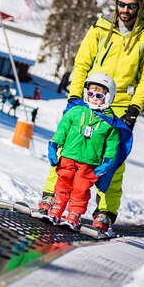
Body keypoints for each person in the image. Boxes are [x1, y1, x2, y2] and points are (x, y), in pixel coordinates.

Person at [37, 0, 144, 233]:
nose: (125, 9)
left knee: (113, 159)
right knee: (68, 149)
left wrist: (134, 108)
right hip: (90, 96)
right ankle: (52, 195)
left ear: (139, 6)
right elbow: (82, 62)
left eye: (131, 5)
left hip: (120, 105)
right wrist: (74, 96)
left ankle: (105, 211)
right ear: (116, 3)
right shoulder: (100, 28)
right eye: (121, 4)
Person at [46, 73, 121, 230]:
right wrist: (54, 144)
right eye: (90, 93)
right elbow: (63, 129)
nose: (93, 97)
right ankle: (56, 209)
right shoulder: (76, 111)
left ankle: (73, 215)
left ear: (108, 97)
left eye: (99, 95)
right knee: (62, 183)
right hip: (68, 157)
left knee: (80, 189)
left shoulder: (110, 123)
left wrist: (108, 161)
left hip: (89, 163)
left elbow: (112, 145)